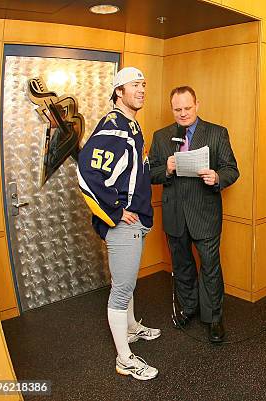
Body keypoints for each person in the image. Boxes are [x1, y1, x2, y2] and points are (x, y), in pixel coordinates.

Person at [77, 67, 160, 380]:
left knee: (127, 283)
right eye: (134, 85)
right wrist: (113, 211)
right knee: (122, 289)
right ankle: (124, 359)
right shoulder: (114, 126)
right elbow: (87, 171)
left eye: (143, 84)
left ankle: (131, 327)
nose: (141, 90)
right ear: (118, 91)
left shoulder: (131, 124)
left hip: (136, 218)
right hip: (123, 223)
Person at [149, 86, 239, 343]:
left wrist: (217, 177)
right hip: (175, 214)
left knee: (210, 267)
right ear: (172, 109)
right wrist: (165, 168)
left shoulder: (216, 133)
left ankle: (213, 318)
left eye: (188, 108)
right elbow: (150, 173)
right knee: (182, 266)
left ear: (197, 105)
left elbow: (232, 169)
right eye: (178, 110)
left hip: (205, 214)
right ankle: (189, 308)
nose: (183, 114)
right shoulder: (161, 136)